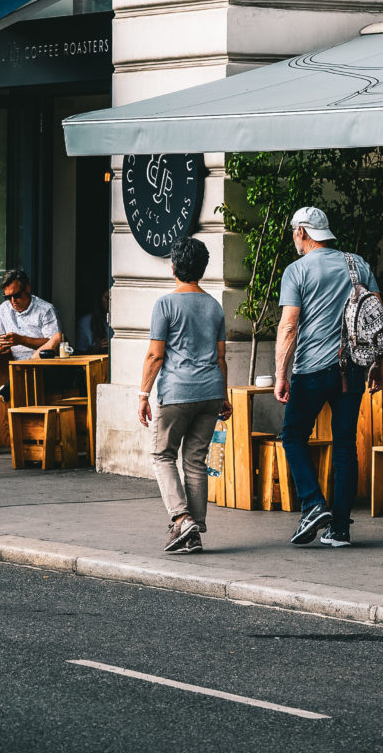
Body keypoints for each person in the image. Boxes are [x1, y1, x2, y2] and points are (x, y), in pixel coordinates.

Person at [274, 206, 383, 548]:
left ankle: (312, 504)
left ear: (302, 233)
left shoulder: (297, 271)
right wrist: (377, 364)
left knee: (292, 436)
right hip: (352, 369)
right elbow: (376, 317)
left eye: (295, 231)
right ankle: (340, 529)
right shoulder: (357, 264)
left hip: (312, 369)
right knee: (344, 446)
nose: (295, 236)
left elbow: (290, 325)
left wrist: (281, 373)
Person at [139, 238, 230, 555]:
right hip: (210, 392)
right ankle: (194, 531)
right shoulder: (214, 306)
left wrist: (143, 394)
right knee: (194, 460)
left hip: (177, 392)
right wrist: (224, 396)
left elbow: (155, 356)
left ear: (174, 266)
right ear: (202, 270)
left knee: (162, 455)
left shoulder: (165, 305)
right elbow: (221, 358)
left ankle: (181, 517)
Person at [0, 270, 63, 360]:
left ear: (27, 288)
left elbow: (54, 344)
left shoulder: (45, 309)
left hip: (41, 365)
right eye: (7, 297)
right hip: (11, 364)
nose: (12, 301)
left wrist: (21, 340)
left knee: (57, 337)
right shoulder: (4, 308)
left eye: (17, 295)